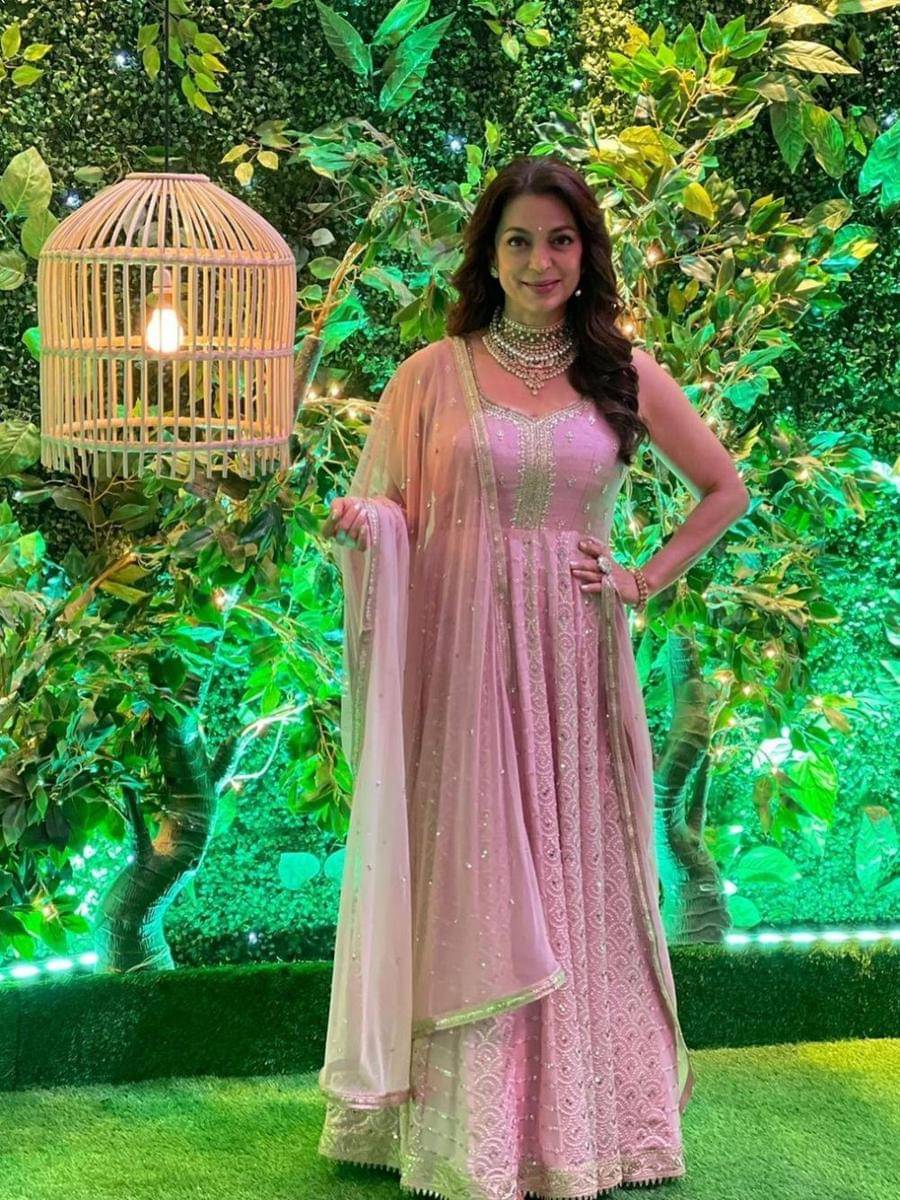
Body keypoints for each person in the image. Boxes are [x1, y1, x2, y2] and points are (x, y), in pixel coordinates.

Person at [316, 154, 749, 1200]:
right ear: (490, 254)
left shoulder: (622, 373)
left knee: (578, 872)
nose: (540, 261)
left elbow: (723, 489)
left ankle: (591, 1125)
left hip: (574, 663)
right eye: (519, 240)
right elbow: (397, 509)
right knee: (472, 864)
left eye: (560, 240)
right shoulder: (433, 374)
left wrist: (640, 580)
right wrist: (367, 527)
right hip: (464, 669)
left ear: (586, 253)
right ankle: (469, 1135)